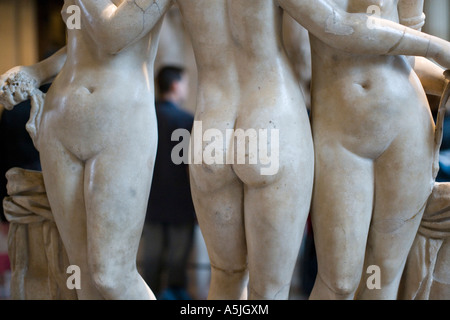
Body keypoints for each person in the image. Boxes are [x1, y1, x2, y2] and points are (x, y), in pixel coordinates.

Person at [277, 0, 450, 299]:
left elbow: (405, 56)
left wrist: (444, 78)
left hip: (409, 125)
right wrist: (437, 48)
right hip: (341, 133)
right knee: (339, 281)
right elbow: (339, 26)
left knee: (384, 276)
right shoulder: (431, 45)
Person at [0, 0, 172, 299]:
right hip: (60, 119)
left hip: (121, 120)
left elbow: (114, 35)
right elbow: (80, 44)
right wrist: (36, 71)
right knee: (81, 272)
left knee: (111, 275)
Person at [143, 66, 196, 300]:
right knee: (178, 261)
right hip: (182, 202)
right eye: (184, 83)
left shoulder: (144, 117)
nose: (186, 88)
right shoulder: (187, 121)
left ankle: (147, 295)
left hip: (149, 202)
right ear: (175, 86)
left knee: (150, 261)